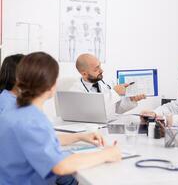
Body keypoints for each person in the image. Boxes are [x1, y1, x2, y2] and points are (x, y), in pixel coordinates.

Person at [0, 52, 122, 185]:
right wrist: (107, 154)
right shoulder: (31, 120)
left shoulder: (16, 111)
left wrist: (81, 136)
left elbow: (42, 139)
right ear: (50, 85)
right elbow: (61, 166)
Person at [70, 53, 145, 114]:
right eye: (96, 69)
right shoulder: (75, 91)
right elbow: (91, 111)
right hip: (90, 130)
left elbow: (117, 109)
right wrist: (114, 93)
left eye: (100, 66)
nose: (101, 70)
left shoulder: (107, 82)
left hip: (109, 126)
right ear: (84, 74)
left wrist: (131, 100)